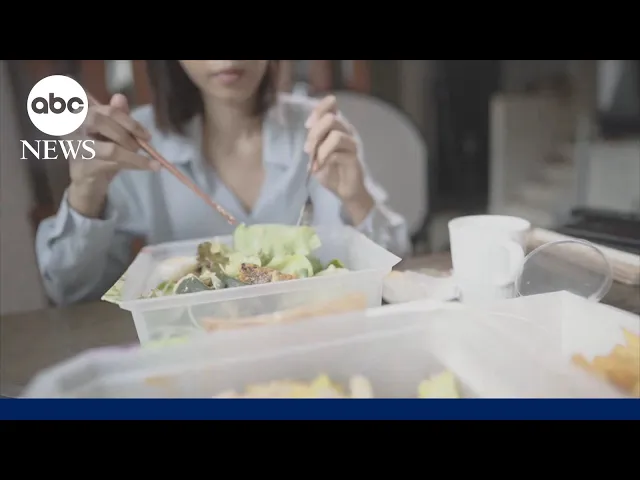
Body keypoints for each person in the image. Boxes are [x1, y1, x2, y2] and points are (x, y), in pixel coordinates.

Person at [36, 60, 410, 305]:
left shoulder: (319, 131)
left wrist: (357, 197)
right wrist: (86, 193)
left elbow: (393, 269)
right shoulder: (135, 143)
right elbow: (71, 293)